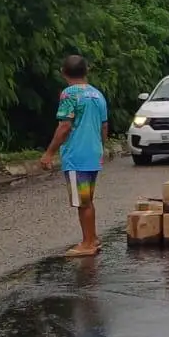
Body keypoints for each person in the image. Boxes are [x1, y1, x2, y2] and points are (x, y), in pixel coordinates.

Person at [39, 54, 109, 257]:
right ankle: (92, 237)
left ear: (63, 73)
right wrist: (100, 148)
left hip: (76, 155)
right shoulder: (97, 94)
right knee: (87, 199)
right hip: (93, 153)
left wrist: (49, 152)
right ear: (86, 71)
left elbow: (64, 126)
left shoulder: (69, 95)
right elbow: (104, 126)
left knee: (82, 201)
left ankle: (88, 243)